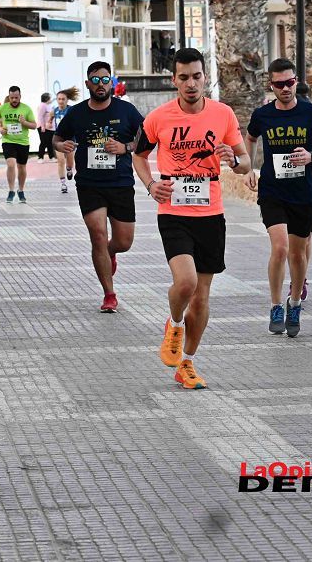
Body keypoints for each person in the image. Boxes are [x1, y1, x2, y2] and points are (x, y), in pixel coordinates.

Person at [134, 48, 251, 389]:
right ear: (174, 80)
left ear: (205, 77)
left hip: (211, 213)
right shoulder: (158, 118)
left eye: (196, 76)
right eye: (183, 77)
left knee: (201, 298)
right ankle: (174, 324)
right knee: (185, 283)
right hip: (174, 212)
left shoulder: (223, 114)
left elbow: (245, 163)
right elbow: (139, 156)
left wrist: (234, 159)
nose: (190, 83)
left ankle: (186, 362)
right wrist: (151, 184)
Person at [244, 58, 312, 335]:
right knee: (280, 248)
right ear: (271, 85)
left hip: (303, 193)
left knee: (297, 253)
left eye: (290, 82)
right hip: (272, 191)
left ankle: (294, 302)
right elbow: (249, 138)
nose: (285, 88)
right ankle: (275, 306)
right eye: (279, 84)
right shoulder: (262, 115)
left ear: (296, 81)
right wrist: (249, 167)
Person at [54, 62, 144, 314]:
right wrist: (62, 147)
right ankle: (109, 293)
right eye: (96, 80)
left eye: (106, 80)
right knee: (98, 235)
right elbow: (57, 138)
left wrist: (125, 147)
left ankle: (110, 253)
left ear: (112, 83)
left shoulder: (126, 110)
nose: (101, 85)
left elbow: (145, 136)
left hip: (120, 183)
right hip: (89, 184)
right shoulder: (77, 113)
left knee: (124, 241)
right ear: (87, 84)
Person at [0, 86, 37, 204]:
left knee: (21, 167)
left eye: (16, 98)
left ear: (20, 97)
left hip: (23, 142)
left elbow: (34, 125)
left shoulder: (26, 109)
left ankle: (21, 190)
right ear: (9, 96)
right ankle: (11, 190)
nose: (14, 100)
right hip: (8, 141)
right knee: (11, 164)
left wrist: (24, 123)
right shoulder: (3, 108)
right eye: (12, 97)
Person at [52, 88, 77, 192]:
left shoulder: (71, 110)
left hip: (70, 139)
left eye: (63, 99)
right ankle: (63, 184)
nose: (61, 101)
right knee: (60, 161)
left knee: (70, 163)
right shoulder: (55, 110)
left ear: (67, 100)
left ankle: (69, 169)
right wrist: (48, 123)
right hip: (59, 138)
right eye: (59, 99)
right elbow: (50, 117)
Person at [35, 93, 55, 161]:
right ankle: (40, 157)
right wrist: (43, 126)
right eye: (50, 98)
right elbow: (40, 116)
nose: (51, 99)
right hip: (42, 127)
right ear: (46, 99)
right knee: (43, 142)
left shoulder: (48, 105)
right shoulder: (42, 105)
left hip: (48, 127)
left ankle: (51, 157)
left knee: (49, 142)